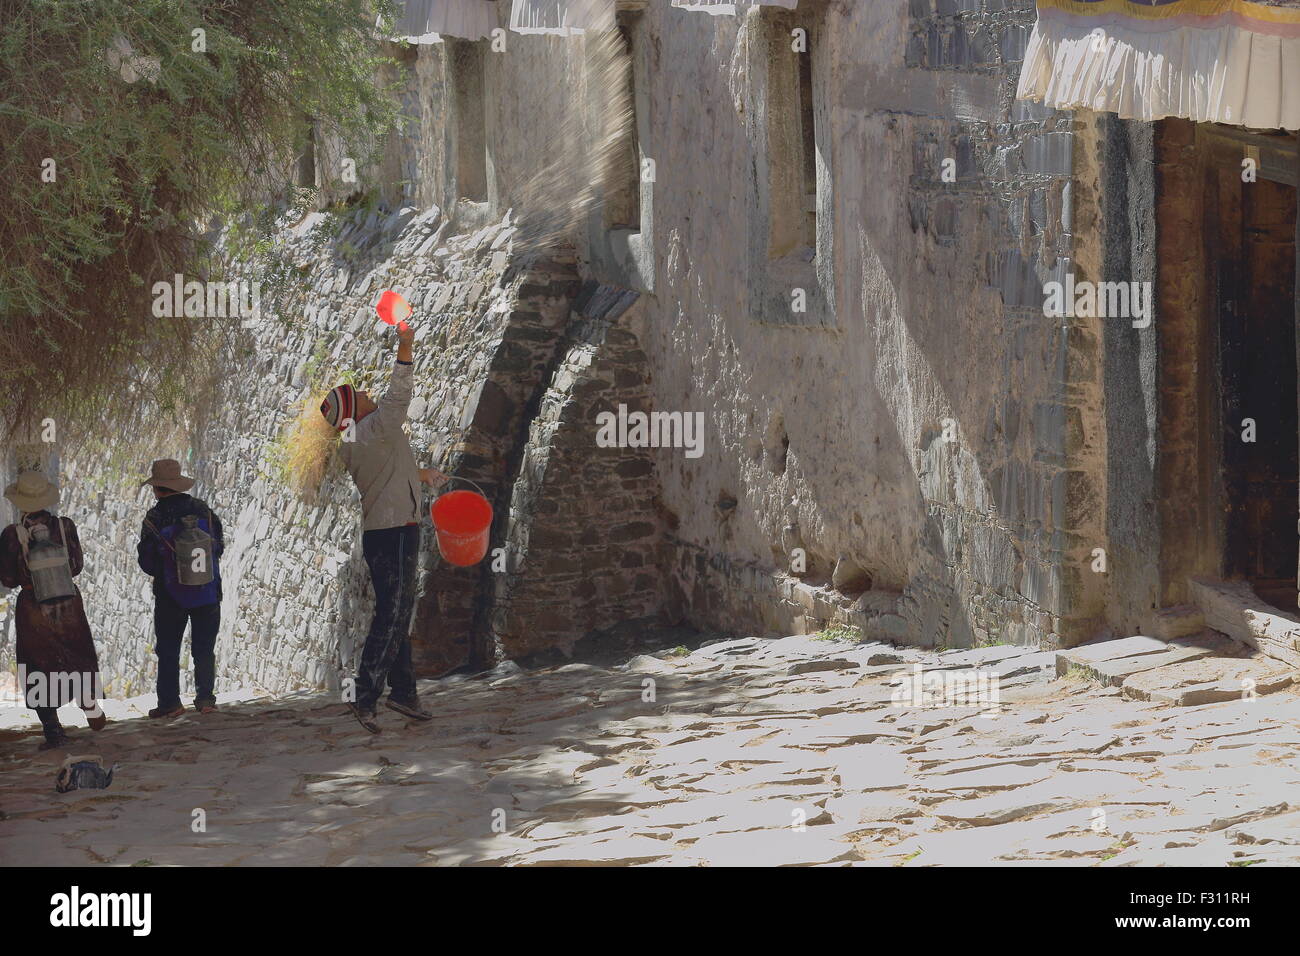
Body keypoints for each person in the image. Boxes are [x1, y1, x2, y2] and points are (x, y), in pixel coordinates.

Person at [320, 322, 447, 734]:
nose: (366, 393)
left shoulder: (361, 438)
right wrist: (405, 346)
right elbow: (398, 397)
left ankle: (405, 692)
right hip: (393, 531)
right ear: (354, 411)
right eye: (359, 394)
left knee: (398, 610)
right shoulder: (373, 429)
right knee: (392, 613)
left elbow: (387, 472)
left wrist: (421, 474)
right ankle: (366, 694)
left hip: (389, 530)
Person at [0, 471, 106, 750]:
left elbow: (8, 580)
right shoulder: (64, 526)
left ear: (20, 502)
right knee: (77, 651)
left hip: (33, 608)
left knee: (37, 665)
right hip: (69, 604)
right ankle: (88, 701)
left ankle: (53, 731)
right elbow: (77, 566)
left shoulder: (13, 534)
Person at [136, 459, 224, 718]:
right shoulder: (204, 510)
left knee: (168, 649)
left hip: (170, 596)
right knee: (204, 648)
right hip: (207, 592)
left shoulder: (154, 518)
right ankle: (206, 699)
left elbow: (148, 563)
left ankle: (170, 703)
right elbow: (218, 547)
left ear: (157, 488)